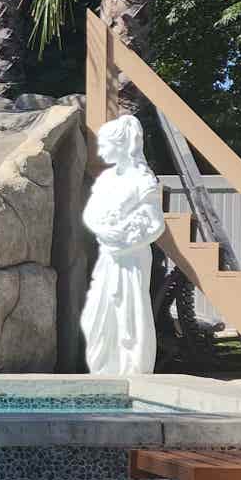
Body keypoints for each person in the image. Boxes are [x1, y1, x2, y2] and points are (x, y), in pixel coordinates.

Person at [80, 115, 168, 376]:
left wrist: (123, 240)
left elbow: (155, 224)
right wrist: (105, 231)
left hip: (131, 258)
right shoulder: (106, 179)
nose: (100, 150)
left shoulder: (142, 180)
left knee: (130, 312)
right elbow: (90, 213)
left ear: (120, 145)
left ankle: (132, 369)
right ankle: (105, 369)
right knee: (96, 315)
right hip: (109, 256)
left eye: (104, 144)